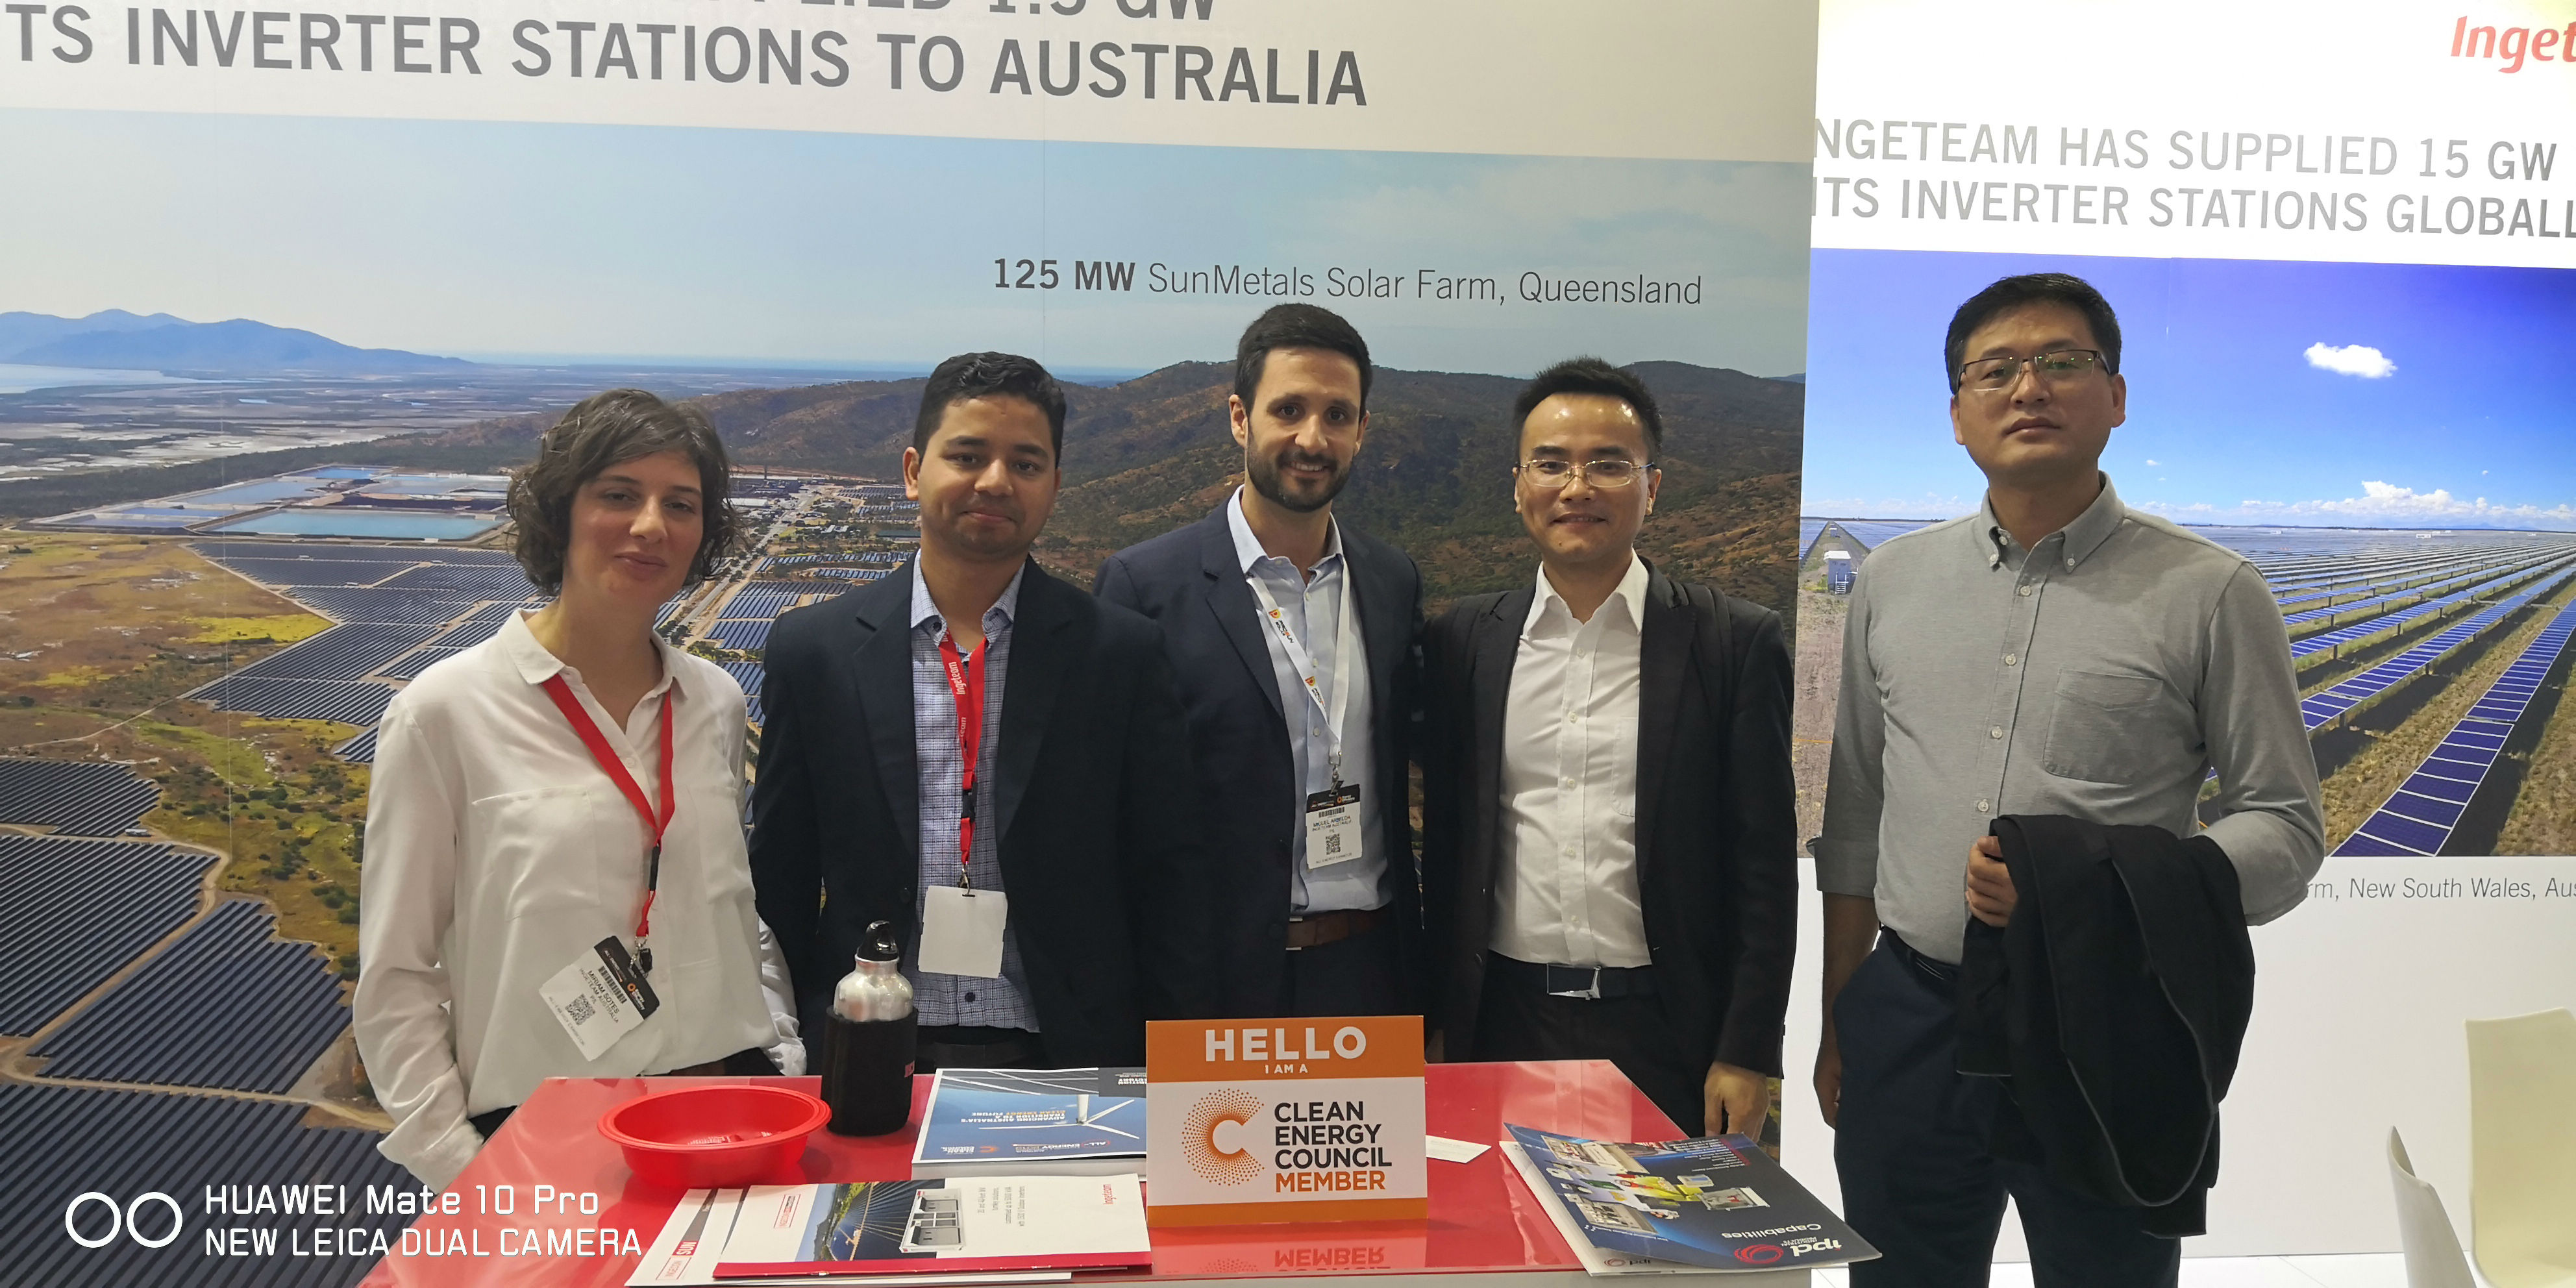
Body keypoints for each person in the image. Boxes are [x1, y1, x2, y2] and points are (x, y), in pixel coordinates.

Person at [1814, 273, 2324, 1285]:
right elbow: (1858, 814)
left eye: (2062, 361)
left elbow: (2285, 828)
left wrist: (2089, 886)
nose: (2029, 387)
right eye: (1995, 369)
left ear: (2117, 396)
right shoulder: (1891, 582)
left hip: (2108, 1020)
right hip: (1911, 1017)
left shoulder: (2213, 592)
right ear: (1957, 414)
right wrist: (1840, 1021)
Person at [355, 388, 802, 1189]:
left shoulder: (715, 701)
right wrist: (464, 1169)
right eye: (619, 495)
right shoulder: (443, 713)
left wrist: (781, 1051)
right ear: (559, 511)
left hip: (729, 1116)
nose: (650, 525)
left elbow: (730, 904)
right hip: (542, 1144)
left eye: (681, 504)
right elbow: (397, 974)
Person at [751, 351, 1211, 1074]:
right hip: (863, 1045)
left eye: (1025, 464)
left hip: (1068, 1050)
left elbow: (1170, 872)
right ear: (913, 471)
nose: (995, 481)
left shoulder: (1119, 654)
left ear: (1054, 486)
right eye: (967, 456)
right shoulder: (815, 651)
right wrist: (779, 1052)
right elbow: (780, 871)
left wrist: (1170, 1064)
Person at [1419, 358, 1794, 1136]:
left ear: (1651, 486)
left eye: (1608, 465)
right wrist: (1437, 1019)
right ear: (1517, 485)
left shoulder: (1732, 641)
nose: (1576, 487)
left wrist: (1746, 1049)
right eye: (1550, 464)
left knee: (1669, 1219)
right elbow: (1449, 843)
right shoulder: (1464, 640)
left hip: (1669, 1029)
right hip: (1502, 1022)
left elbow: (1762, 866)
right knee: (1504, 1212)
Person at [1094, 304, 1424, 1019]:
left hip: (1368, 974)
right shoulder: (1145, 587)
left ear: (1362, 430)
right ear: (1241, 418)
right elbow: (1109, 810)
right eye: (1289, 410)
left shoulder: (1392, 581)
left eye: (1337, 415)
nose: (1313, 438)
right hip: (1207, 983)